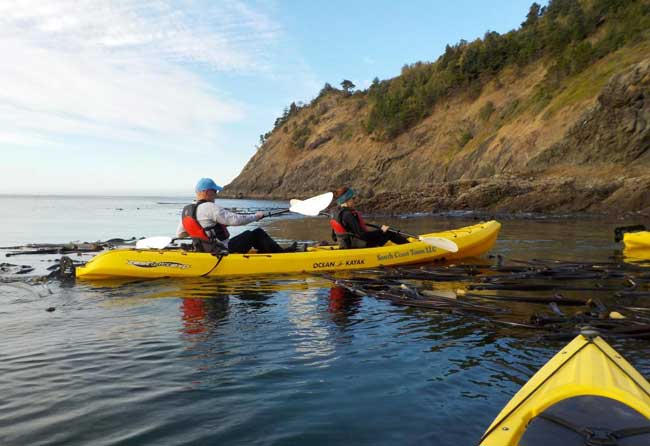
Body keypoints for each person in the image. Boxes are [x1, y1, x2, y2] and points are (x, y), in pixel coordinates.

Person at [176, 178, 297, 254]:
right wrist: (256, 216)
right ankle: (281, 254)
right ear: (207, 192)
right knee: (256, 233)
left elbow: (180, 234)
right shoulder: (210, 207)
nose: (216, 194)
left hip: (203, 250)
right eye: (214, 191)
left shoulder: (188, 210)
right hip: (221, 251)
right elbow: (236, 220)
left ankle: (265, 253)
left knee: (251, 235)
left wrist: (208, 231)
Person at [329, 186, 409, 249]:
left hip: (346, 245)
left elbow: (334, 238)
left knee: (384, 233)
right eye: (353, 198)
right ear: (347, 200)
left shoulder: (334, 213)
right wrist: (381, 231)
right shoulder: (348, 215)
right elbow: (363, 236)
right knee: (389, 233)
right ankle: (410, 247)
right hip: (359, 245)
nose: (354, 200)